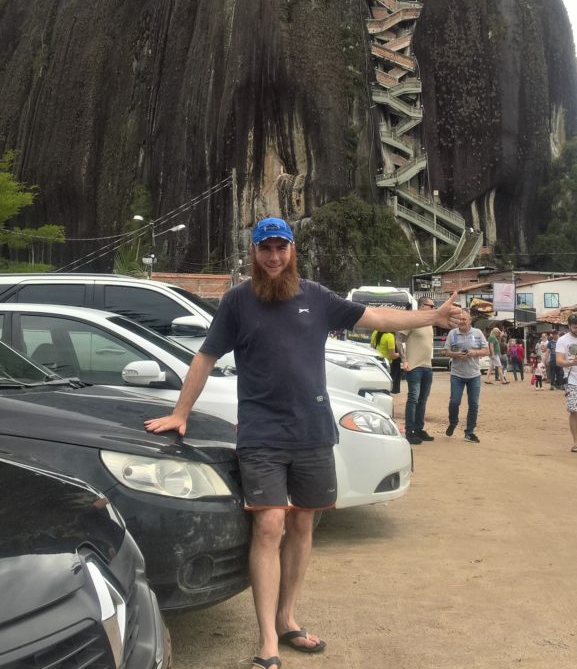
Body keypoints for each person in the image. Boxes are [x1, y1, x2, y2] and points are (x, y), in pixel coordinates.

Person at [144, 217, 462, 669]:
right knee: (270, 523)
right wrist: (180, 413)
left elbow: (377, 316)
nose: (273, 257)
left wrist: (432, 316)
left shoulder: (315, 296)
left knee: (302, 524)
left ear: (292, 250)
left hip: (313, 429)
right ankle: (267, 638)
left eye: (281, 248)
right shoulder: (237, 301)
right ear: (253, 253)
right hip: (262, 432)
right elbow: (206, 356)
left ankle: (288, 617)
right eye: (265, 249)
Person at [444, 306, 490, 442]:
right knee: (454, 402)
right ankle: (453, 422)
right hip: (457, 374)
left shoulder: (478, 333)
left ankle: (469, 432)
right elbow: (446, 352)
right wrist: (455, 354)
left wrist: (474, 353)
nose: (462, 321)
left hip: (474, 374)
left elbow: (486, 351)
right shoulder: (452, 333)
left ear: (470, 320)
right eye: (460, 319)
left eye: (464, 319)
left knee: (474, 404)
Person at [400, 297, 435, 445]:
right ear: (422, 306)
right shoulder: (412, 320)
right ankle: (410, 431)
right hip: (414, 366)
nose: (433, 308)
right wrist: (404, 360)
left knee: (423, 399)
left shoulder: (428, 323)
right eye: (431, 306)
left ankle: (419, 428)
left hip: (427, 366)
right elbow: (398, 338)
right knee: (413, 398)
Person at [555, 313, 577, 452]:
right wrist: (571, 362)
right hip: (572, 380)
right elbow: (558, 361)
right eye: (575, 326)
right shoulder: (563, 340)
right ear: (569, 326)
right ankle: (576, 442)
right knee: (574, 411)